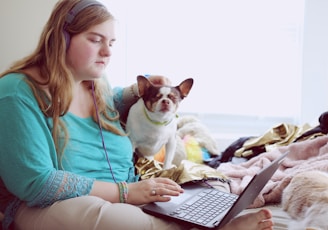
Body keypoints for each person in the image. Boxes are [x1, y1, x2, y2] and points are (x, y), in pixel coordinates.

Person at [0, 0, 274, 229]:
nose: (107, 52)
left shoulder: (95, 82)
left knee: (205, 187)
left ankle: (206, 218)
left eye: (112, 42)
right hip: (47, 204)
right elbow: (37, 183)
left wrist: (138, 90)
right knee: (114, 219)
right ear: (62, 38)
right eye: (95, 40)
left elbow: (113, 103)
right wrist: (126, 193)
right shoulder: (17, 93)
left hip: (125, 190)